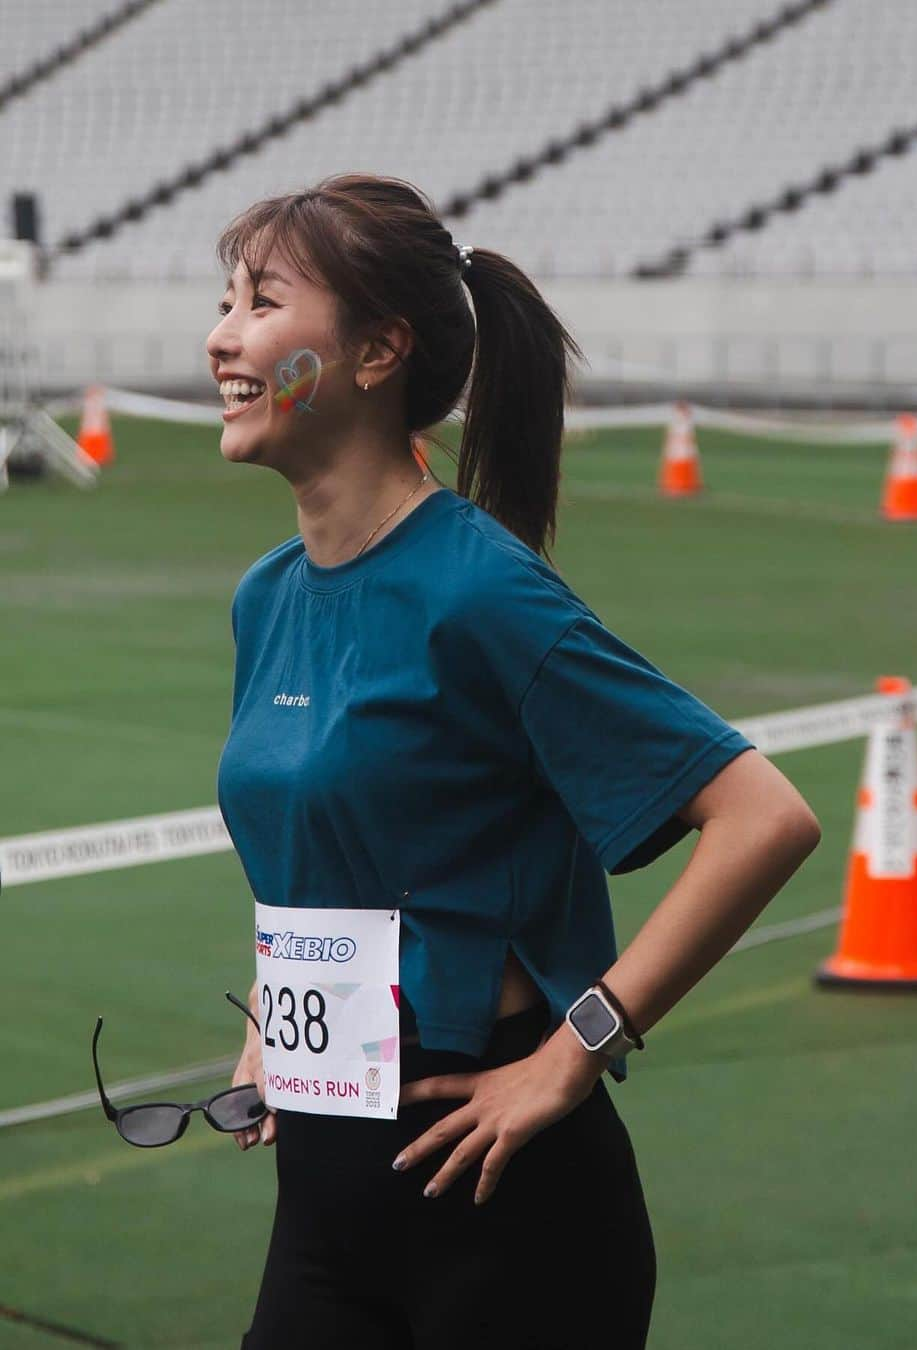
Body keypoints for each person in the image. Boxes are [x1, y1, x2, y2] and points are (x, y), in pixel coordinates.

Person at [208, 173, 821, 1350]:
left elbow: (764, 817)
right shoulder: (265, 599)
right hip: (328, 1201)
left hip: (506, 1211)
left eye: (261, 303)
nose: (222, 338)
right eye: (226, 300)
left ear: (379, 352)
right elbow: (312, 833)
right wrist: (278, 1019)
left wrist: (575, 1050)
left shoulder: (482, 593)